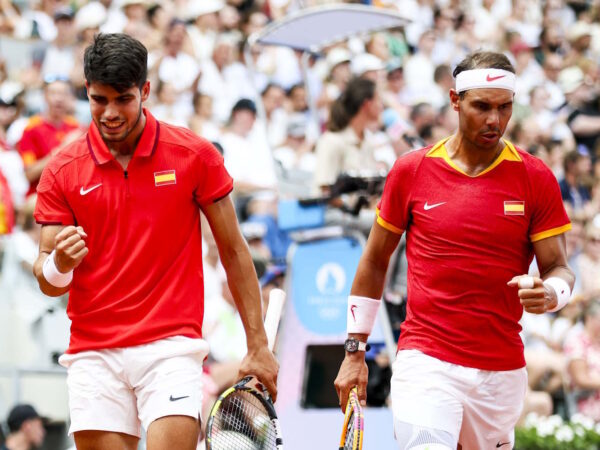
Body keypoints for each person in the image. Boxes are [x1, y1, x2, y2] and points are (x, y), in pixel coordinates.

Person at [32, 33, 278, 450]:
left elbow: (235, 251)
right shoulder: (61, 170)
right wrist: (59, 263)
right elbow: (49, 281)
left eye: (122, 99)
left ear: (145, 91)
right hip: (93, 351)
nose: (109, 113)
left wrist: (258, 345)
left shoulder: (194, 155)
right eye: (98, 100)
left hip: (170, 347)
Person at [334, 50, 574, 450]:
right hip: (426, 359)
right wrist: (354, 350)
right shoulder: (411, 170)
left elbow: (560, 268)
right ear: (455, 100)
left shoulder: (536, 177)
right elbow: (375, 261)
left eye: (504, 107)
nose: (494, 120)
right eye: (481, 106)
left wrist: (551, 294)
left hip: (501, 371)